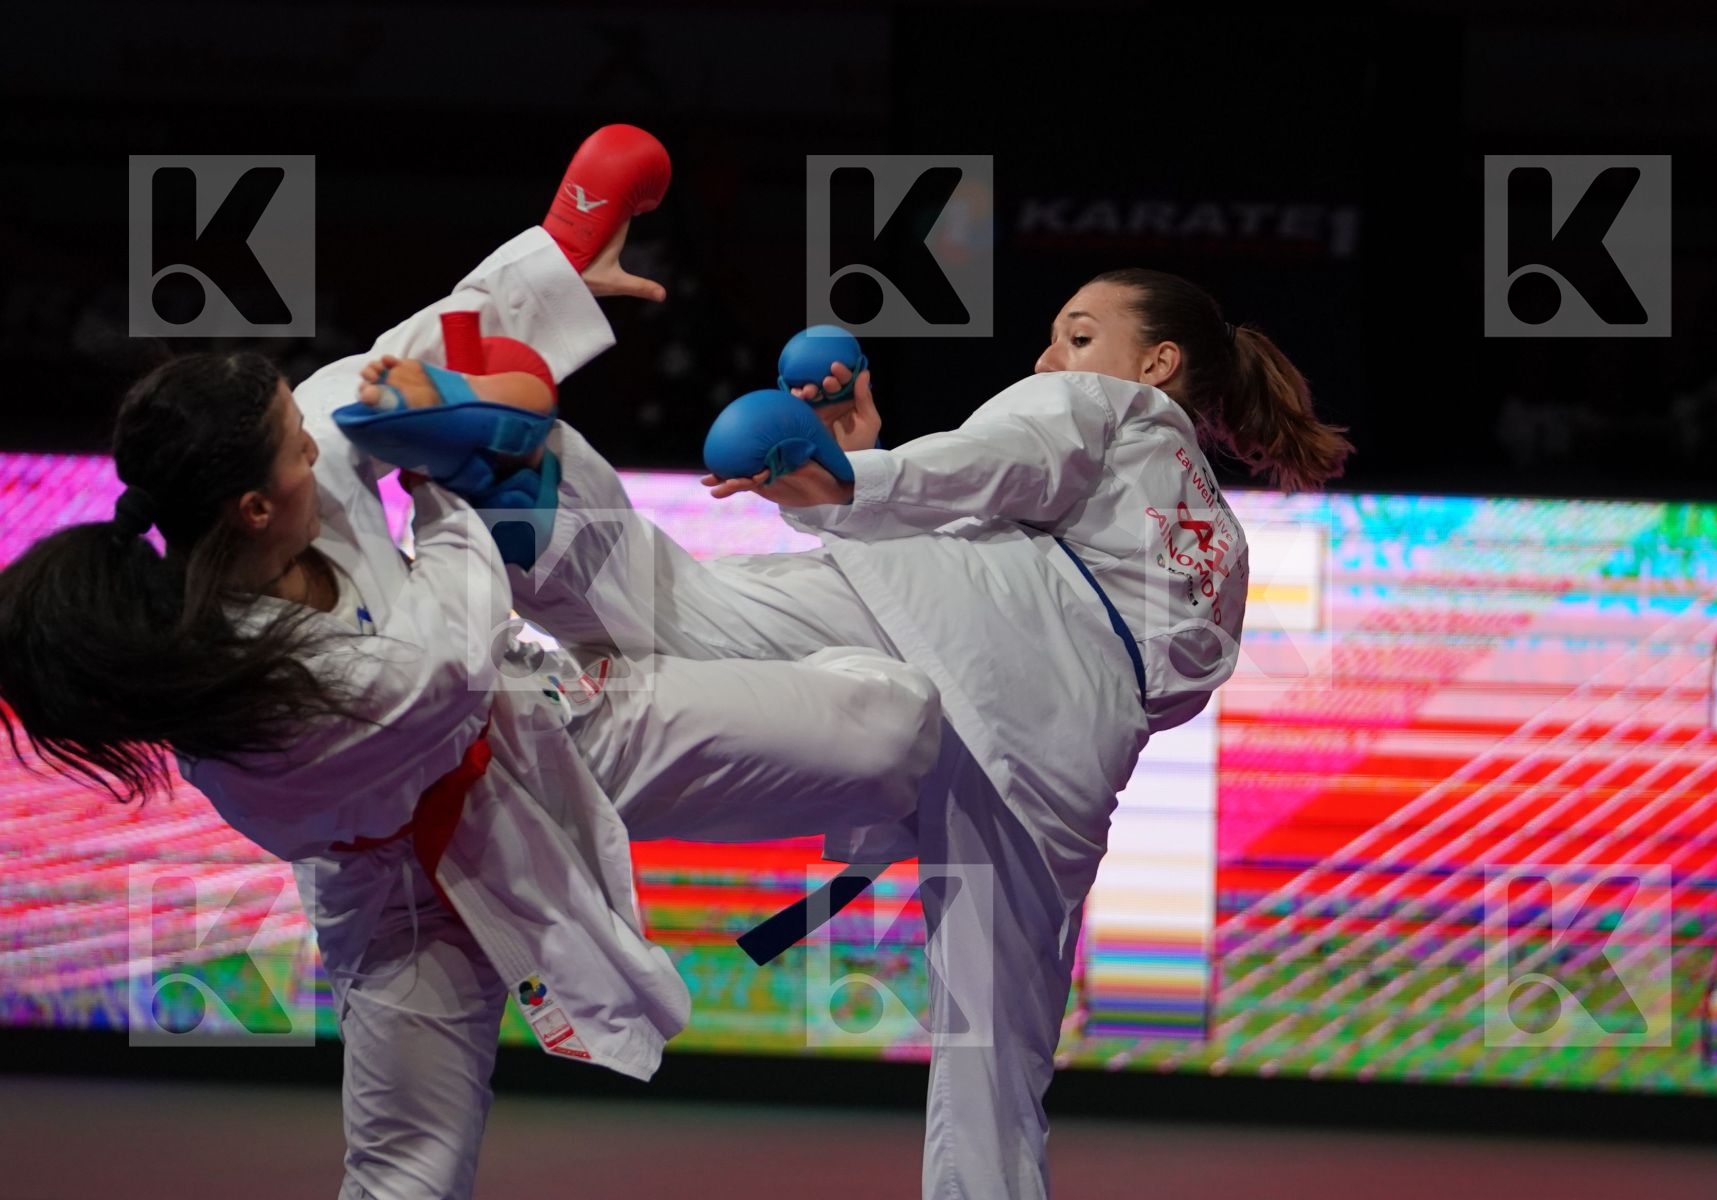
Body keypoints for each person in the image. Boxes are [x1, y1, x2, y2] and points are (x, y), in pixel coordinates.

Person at [0, 207, 942, 1198]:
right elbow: (449, 654)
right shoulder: (258, 692)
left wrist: (564, 257)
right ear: (253, 508)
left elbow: (404, 351)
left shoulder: (293, 466)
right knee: (409, 1177)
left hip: (546, 738)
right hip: (399, 900)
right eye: (293, 448)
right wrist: (447, 470)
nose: (315, 448)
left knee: (890, 729)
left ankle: (891, 687)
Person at [376, 265, 1351, 1198]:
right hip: (1056, 781)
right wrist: (869, 475)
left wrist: (854, 477)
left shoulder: (1110, 406)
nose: (1052, 359)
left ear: (1158, 365)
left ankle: (528, 488)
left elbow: (998, 459)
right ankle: (540, 588)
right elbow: (1167, 683)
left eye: (1081, 335)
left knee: (689, 612)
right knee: (997, 1078)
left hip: (959, 626)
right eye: (1055, 339)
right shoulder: (1224, 550)